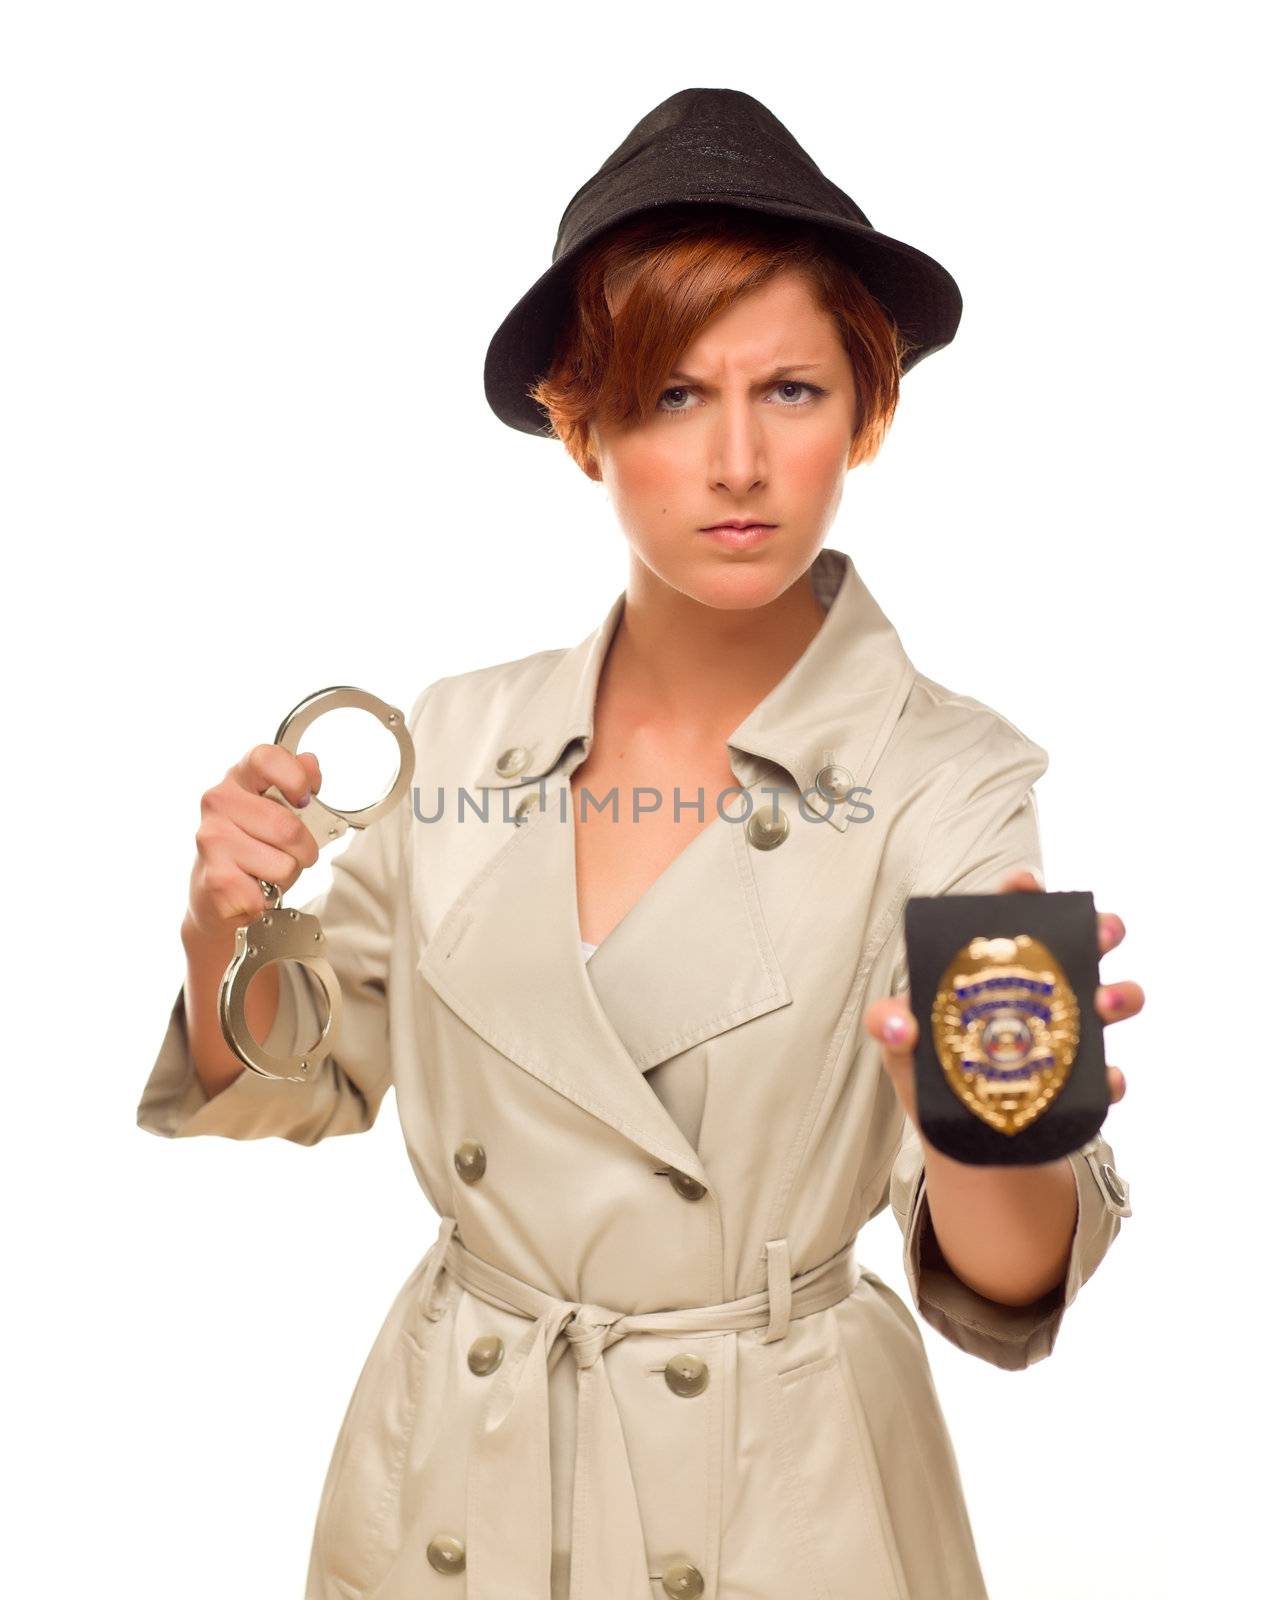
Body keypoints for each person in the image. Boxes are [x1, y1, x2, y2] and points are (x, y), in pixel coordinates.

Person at [137, 88, 1140, 1600]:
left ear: (865, 415)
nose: (737, 459)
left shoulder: (956, 779)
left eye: (792, 392)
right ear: (582, 422)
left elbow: (1005, 1283)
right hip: (448, 1486)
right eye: (673, 395)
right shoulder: (456, 741)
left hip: (782, 1509)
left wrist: (984, 1126)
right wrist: (230, 921)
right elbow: (302, 1077)